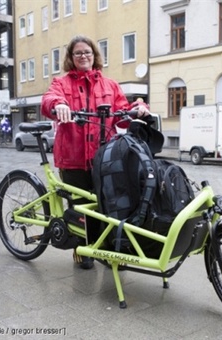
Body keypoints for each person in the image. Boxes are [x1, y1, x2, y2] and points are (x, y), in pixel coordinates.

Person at [41, 35, 150, 269]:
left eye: (87, 52)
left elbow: (123, 111)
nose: (83, 56)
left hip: (105, 157)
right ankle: (82, 248)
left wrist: (139, 108)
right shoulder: (61, 83)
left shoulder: (109, 85)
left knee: (108, 203)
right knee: (80, 204)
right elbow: (49, 99)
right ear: (71, 58)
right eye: (78, 53)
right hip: (73, 158)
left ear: (94, 56)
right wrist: (58, 105)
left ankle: (109, 249)